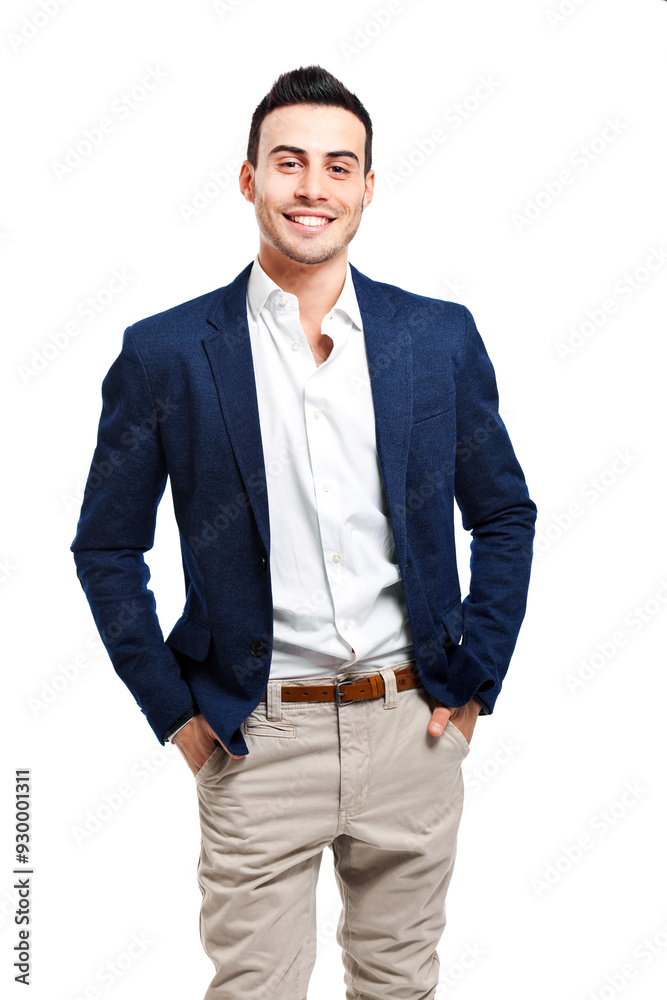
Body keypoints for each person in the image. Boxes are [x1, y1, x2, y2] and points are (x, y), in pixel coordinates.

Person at [70, 64, 537, 1000]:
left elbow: (502, 513)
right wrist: (177, 716)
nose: (312, 188)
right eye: (288, 163)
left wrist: (473, 684)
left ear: (368, 185)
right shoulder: (165, 352)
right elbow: (107, 547)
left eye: (337, 166)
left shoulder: (437, 338)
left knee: (399, 983)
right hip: (255, 734)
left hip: (414, 725)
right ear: (249, 180)